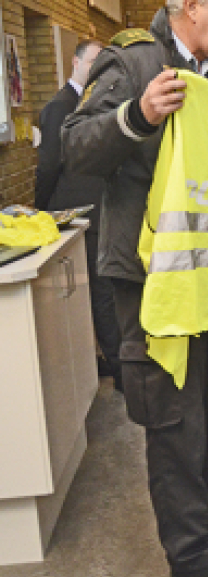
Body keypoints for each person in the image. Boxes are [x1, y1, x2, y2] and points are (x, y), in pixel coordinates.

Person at [61, 0, 208, 577]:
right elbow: (74, 146)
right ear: (191, 6)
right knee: (174, 413)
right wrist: (139, 115)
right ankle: (190, 554)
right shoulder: (132, 62)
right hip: (151, 275)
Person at [34, 39, 122, 390]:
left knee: (103, 292)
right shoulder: (60, 106)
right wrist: (41, 212)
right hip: (73, 211)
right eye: (93, 63)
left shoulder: (94, 103)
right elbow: (48, 166)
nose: (98, 71)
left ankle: (108, 362)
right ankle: (118, 370)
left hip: (98, 209)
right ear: (75, 62)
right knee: (98, 294)